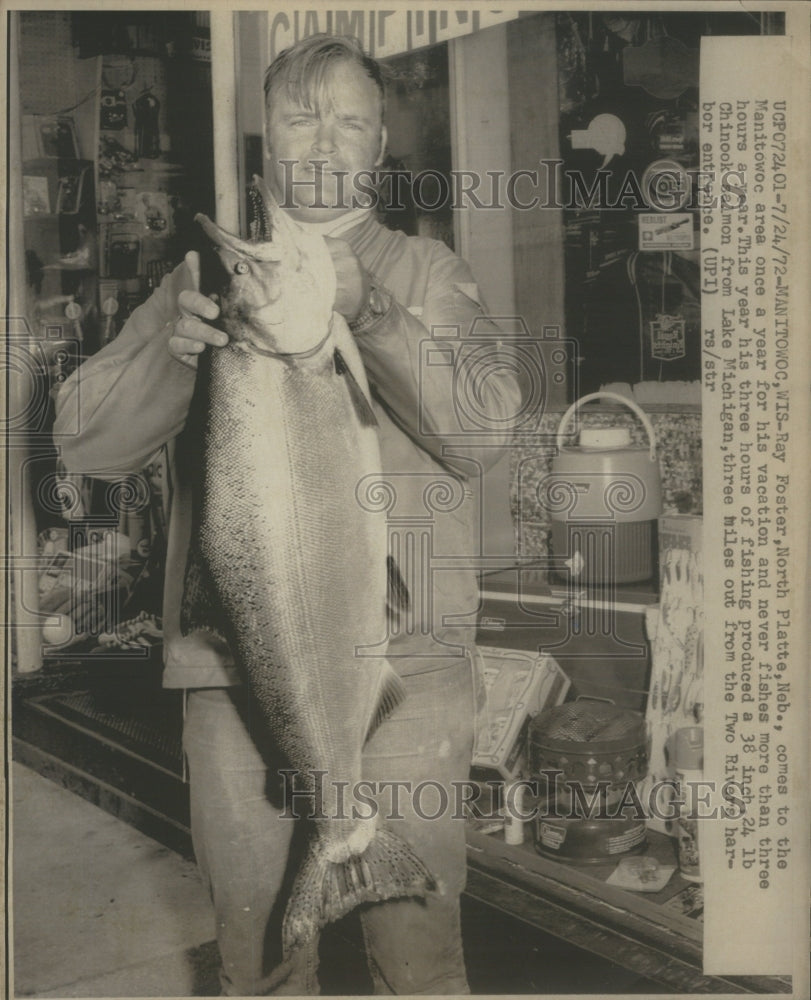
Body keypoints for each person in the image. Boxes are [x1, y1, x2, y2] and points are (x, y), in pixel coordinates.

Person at [54, 34, 524, 996]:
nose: (324, 140)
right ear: (268, 146)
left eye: (349, 119)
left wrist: (373, 311)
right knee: (263, 961)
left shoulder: (424, 269)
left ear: (381, 144)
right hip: (236, 672)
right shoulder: (204, 274)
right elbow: (83, 444)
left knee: (419, 965)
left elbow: (484, 430)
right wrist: (173, 355)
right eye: (301, 117)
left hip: (405, 670)